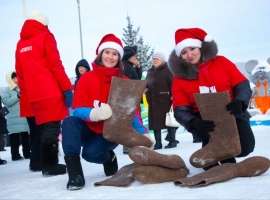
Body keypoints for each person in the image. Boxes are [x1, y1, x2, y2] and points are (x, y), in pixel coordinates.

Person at [61, 33, 152, 190]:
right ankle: (75, 175)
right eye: (107, 52)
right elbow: (75, 110)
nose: (110, 57)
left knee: (90, 154)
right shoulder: (87, 78)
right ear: (100, 54)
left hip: (110, 132)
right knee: (69, 122)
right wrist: (94, 113)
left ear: (119, 58)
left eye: (115, 53)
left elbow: (133, 114)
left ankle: (109, 158)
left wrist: (143, 135)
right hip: (88, 128)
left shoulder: (125, 82)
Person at [168, 28, 255, 170]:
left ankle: (224, 153)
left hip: (232, 113)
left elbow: (242, 85)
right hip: (204, 121)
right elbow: (180, 109)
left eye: (192, 48)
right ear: (179, 56)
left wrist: (240, 100)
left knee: (245, 148)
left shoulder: (222, 62)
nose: (189, 55)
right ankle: (215, 152)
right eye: (184, 52)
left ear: (201, 46)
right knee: (211, 139)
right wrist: (193, 122)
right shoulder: (179, 79)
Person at [15, 10, 73, 176]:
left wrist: (28, 91)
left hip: (34, 94)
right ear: (43, 23)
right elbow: (55, 65)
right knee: (52, 128)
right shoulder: (46, 36)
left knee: (41, 130)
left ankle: (42, 162)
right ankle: (50, 165)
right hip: (51, 90)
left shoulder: (20, 44)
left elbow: (20, 73)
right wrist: (67, 88)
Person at [145, 52, 178, 150]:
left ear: (162, 60)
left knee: (168, 121)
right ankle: (158, 143)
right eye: (154, 59)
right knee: (155, 122)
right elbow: (146, 84)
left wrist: (173, 96)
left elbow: (173, 84)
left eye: (157, 59)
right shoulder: (150, 71)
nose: (155, 60)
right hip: (153, 100)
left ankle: (172, 141)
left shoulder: (168, 70)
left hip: (165, 100)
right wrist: (146, 92)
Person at [2, 71, 31, 161]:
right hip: (13, 117)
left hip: (23, 115)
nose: (16, 80)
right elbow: (6, 102)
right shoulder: (7, 90)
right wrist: (17, 96)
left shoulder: (22, 87)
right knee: (14, 137)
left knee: (25, 135)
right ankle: (15, 155)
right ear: (10, 79)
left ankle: (27, 153)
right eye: (14, 78)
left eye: (17, 78)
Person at [121, 45, 143, 154]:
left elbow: (137, 79)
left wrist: (138, 68)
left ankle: (130, 145)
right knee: (131, 122)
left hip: (131, 99)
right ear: (129, 56)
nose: (135, 57)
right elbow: (131, 84)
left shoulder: (129, 66)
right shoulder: (127, 67)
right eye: (133, 55)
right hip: (130, 100)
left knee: (130, 122)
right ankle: (129, 146)